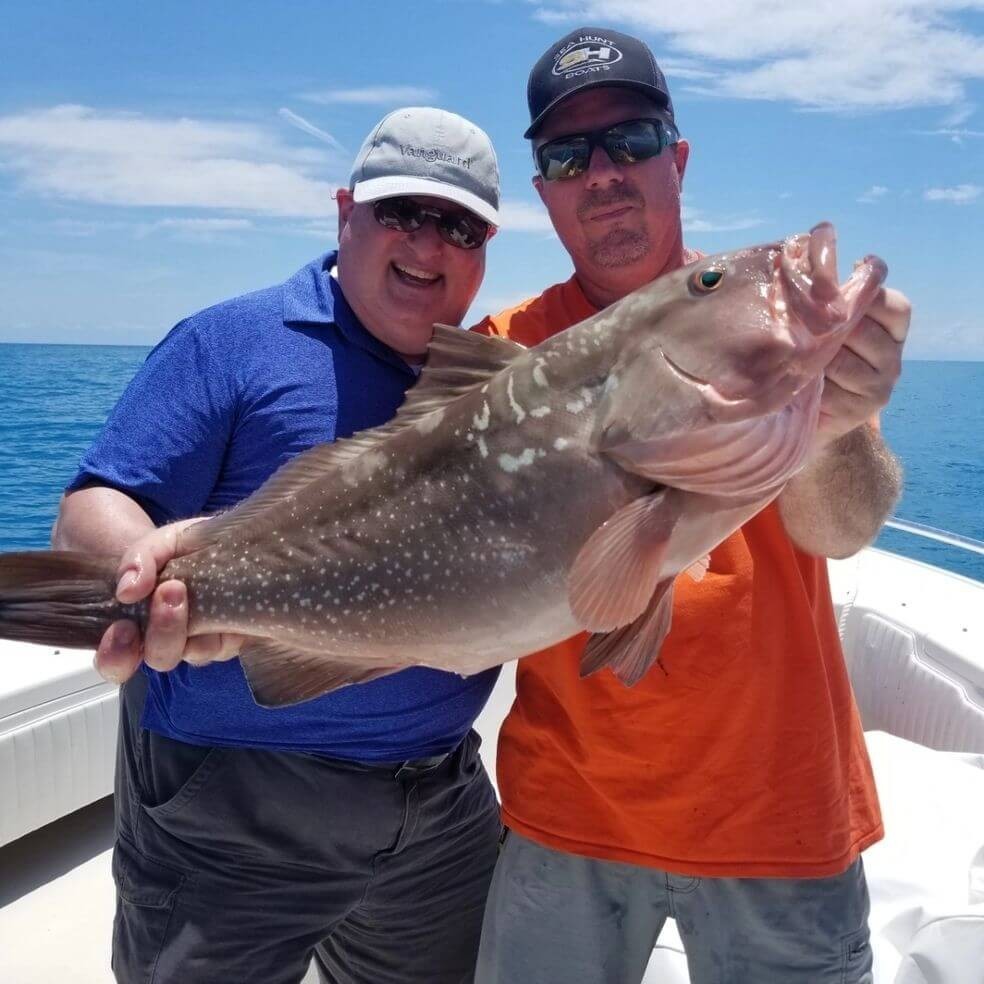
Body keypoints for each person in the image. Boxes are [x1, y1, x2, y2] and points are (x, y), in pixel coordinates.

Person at [470, 27, 908, 984]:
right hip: (567, 817)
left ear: (678, 158)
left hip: (782, 820)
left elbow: (842, 529)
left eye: (630, 140)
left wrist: (838, 421)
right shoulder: (503, 353)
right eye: (566, 155)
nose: (603, 173)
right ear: (543, 190)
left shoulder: (762, 315)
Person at [51, 107, 504, 984]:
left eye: (458, 224)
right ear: (345, 213)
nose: (428, 242)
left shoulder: (496, 383)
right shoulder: (231, 341)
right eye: (402, 212)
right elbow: (94, 507)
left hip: (442, 804)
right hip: (233, 809)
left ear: (484, 248)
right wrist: (153, 571)